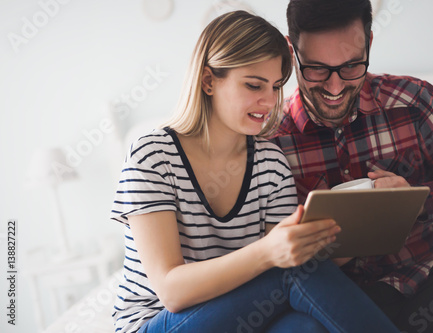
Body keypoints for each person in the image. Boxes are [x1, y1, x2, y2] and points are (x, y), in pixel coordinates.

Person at [110, 10, 400, 333]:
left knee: (304, 327)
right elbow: (171, 291)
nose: (269, 101)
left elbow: (294, 269)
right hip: (158, 322)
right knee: (288, 269)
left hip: (240, 317)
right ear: (208, 81)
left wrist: (371, 224)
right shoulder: (152, 155)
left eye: (276, 87)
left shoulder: (271, 165)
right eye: (253, 85)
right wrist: (268, 253)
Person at [269, 0, 433, 332]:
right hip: (327, 306)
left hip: (424, 286)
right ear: (292, 52)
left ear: (370, 44)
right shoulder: (270, 139)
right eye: (318, 68)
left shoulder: (415, 103)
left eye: (351, 66)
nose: (335, 88)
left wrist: (418, 201)